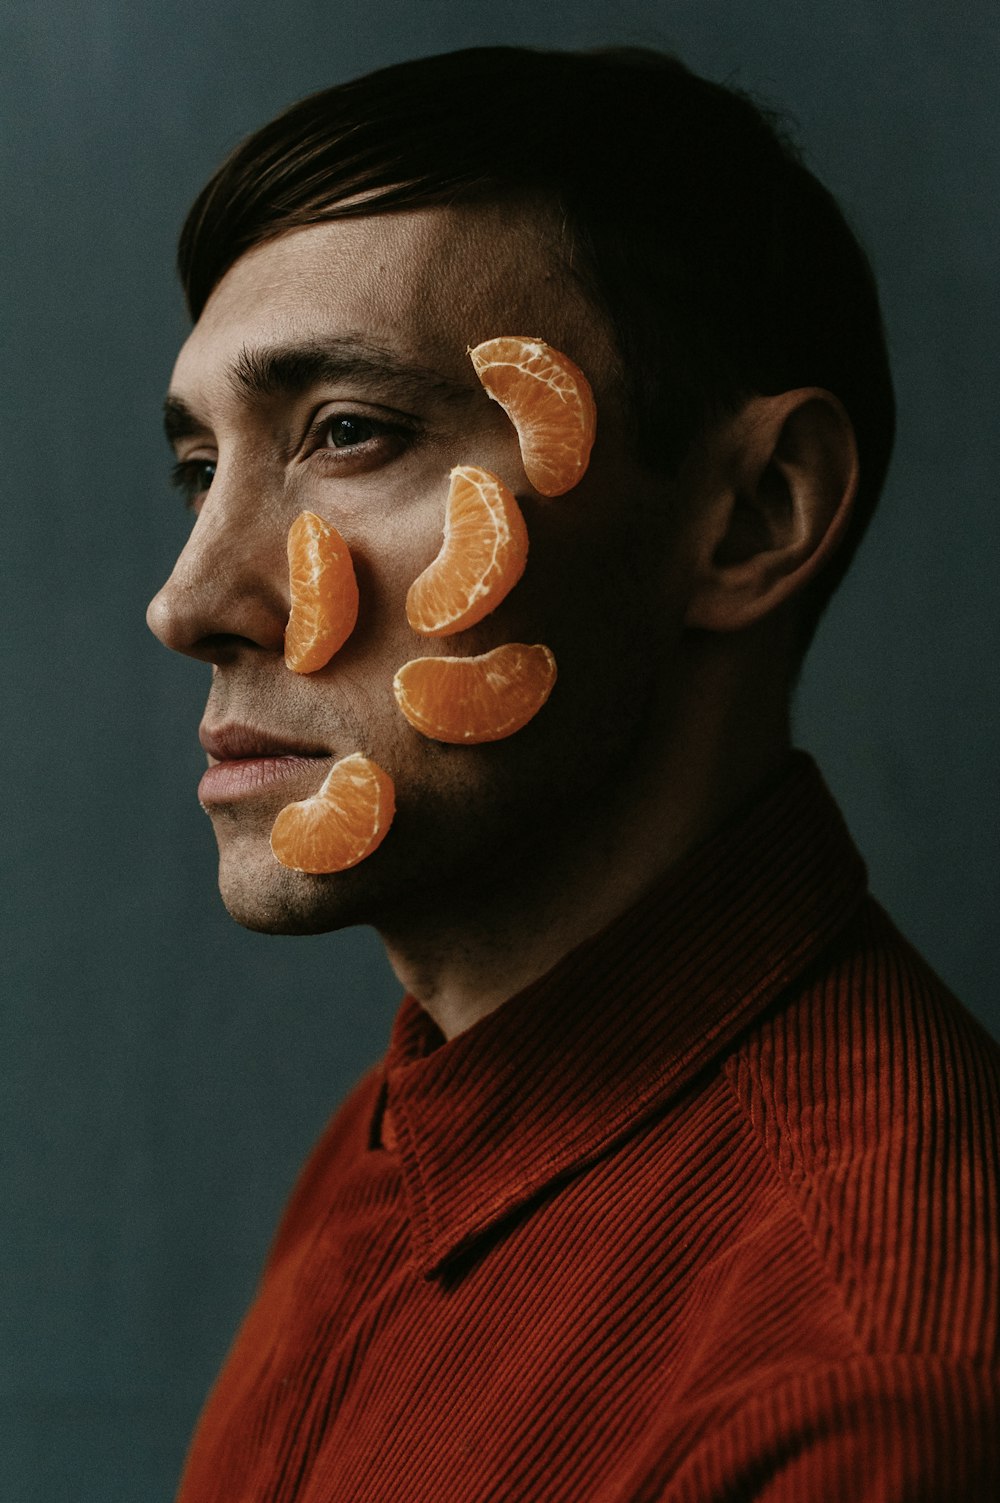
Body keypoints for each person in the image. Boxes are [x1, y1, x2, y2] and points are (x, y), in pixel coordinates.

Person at [146, 45, 998, 1503]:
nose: (191, 600)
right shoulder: (403, 1127)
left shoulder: (856, 1395)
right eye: (197, 468)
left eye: (350, 433)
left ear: (753, 519)